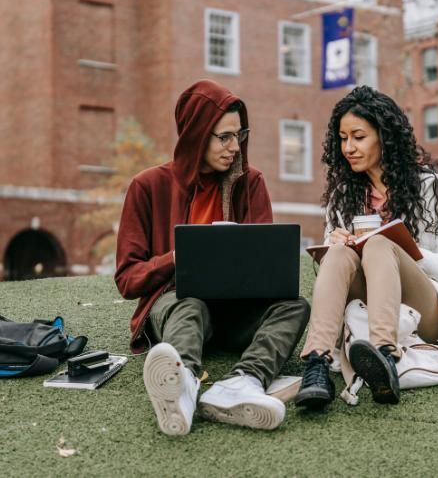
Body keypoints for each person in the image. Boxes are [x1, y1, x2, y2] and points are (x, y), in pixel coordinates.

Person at [115, 80, 310, 434]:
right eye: (224, 137)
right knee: (190, 305)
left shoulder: (251, 183)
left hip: (236, 313)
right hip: (178, 305)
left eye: (240, 135)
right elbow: (127, 279)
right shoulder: (147, 187)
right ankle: (183, 384)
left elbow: (266, 265)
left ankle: (244, 382)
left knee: (296, 305)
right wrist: (178, 257)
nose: (235, 147)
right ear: (195, 135)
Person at [294, 85, 438, 409]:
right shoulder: (343, 195)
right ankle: (317, 363)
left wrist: (404, 248)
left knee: (380, 243)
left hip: (425, 309)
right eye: (342, 138)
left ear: (385, 137)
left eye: (358, 137)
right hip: (363, 306)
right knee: (338, 252)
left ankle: (384, 354)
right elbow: (337, 274)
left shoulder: (434, 189)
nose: (348, 147)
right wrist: (334, 244)